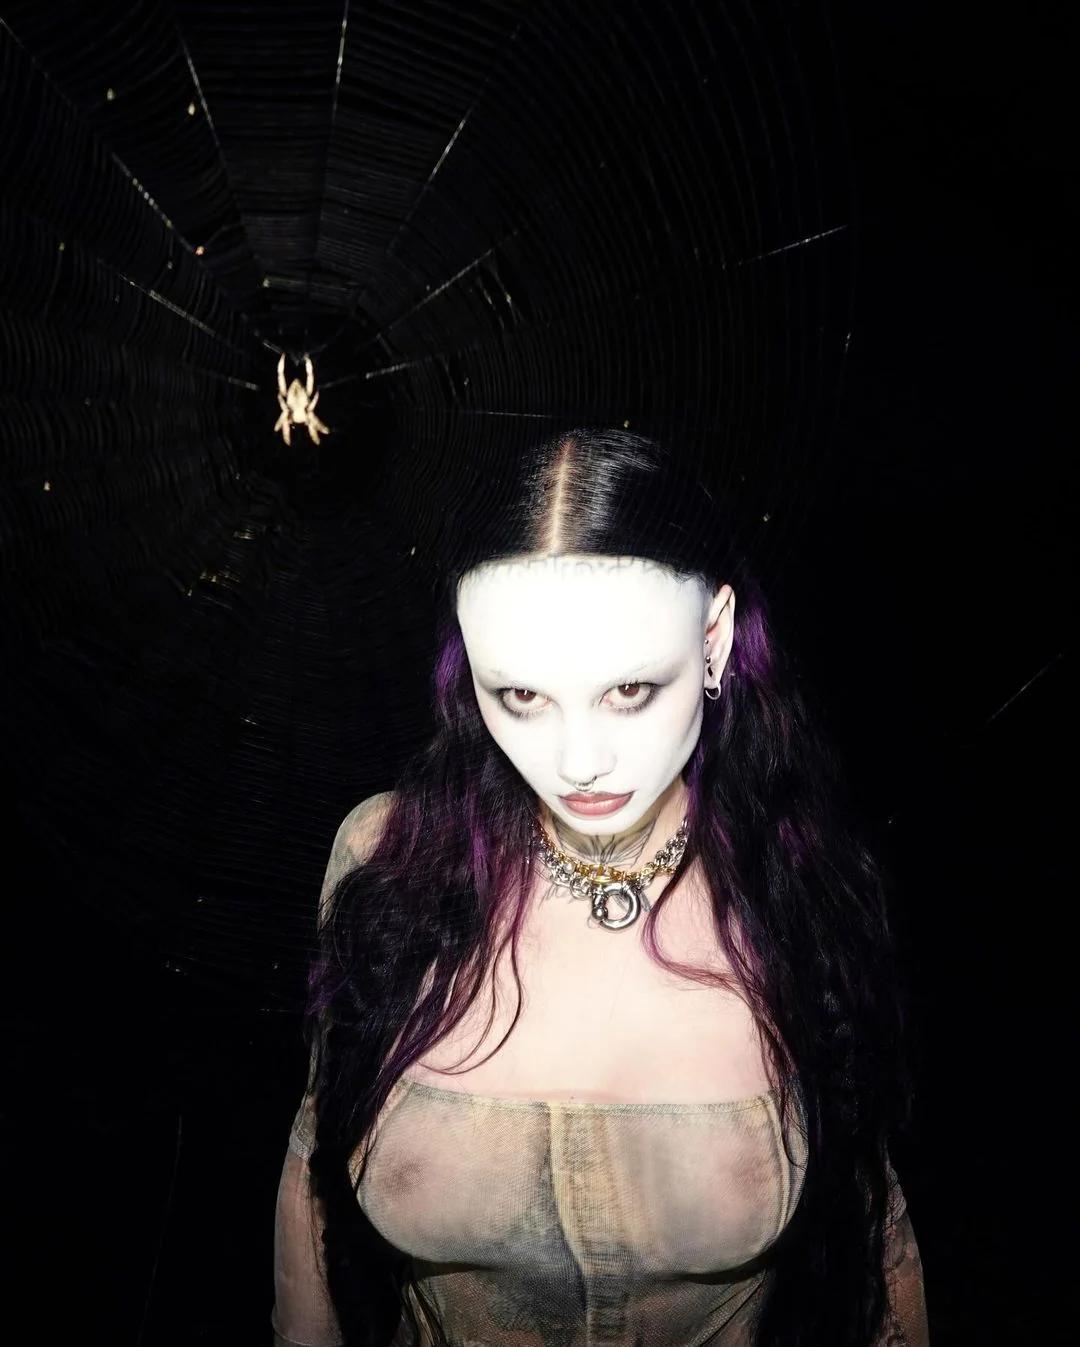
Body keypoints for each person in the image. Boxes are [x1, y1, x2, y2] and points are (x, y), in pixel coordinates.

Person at [271, 427, 930, 1346]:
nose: (579, 760)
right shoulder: (389, 860)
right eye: (521, 696)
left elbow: (868, 1230)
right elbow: (315, 1174)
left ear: (714, 639)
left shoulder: (795, 883)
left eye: (629, 690)